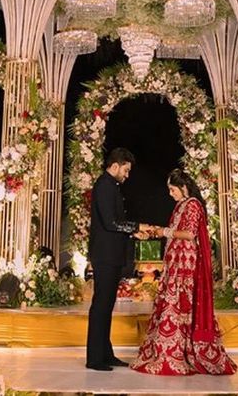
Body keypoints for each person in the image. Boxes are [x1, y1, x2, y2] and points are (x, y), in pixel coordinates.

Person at [131, 169, 237, 376]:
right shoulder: (181, 205)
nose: (170, 193)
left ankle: (178, 351)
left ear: (183, 187)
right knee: (173, 302)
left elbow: (189, 234)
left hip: (185, 262)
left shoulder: (193, 204)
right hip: (176, 260)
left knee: (180, 303)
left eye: (172, 189)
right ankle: (170, 349)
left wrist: (164, 232)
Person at [86, 147, 148, 371]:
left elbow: (115, 223)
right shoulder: (104, 186)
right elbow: (110, 223)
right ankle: (95, 358)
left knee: (106, 305)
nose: (127, 175)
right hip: (104, 255)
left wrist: (132, 232)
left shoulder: (111, 186)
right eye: (126, 170)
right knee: (101, 305)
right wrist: (136, 226)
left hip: (110, 254)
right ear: (115, 165)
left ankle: (105, 353)